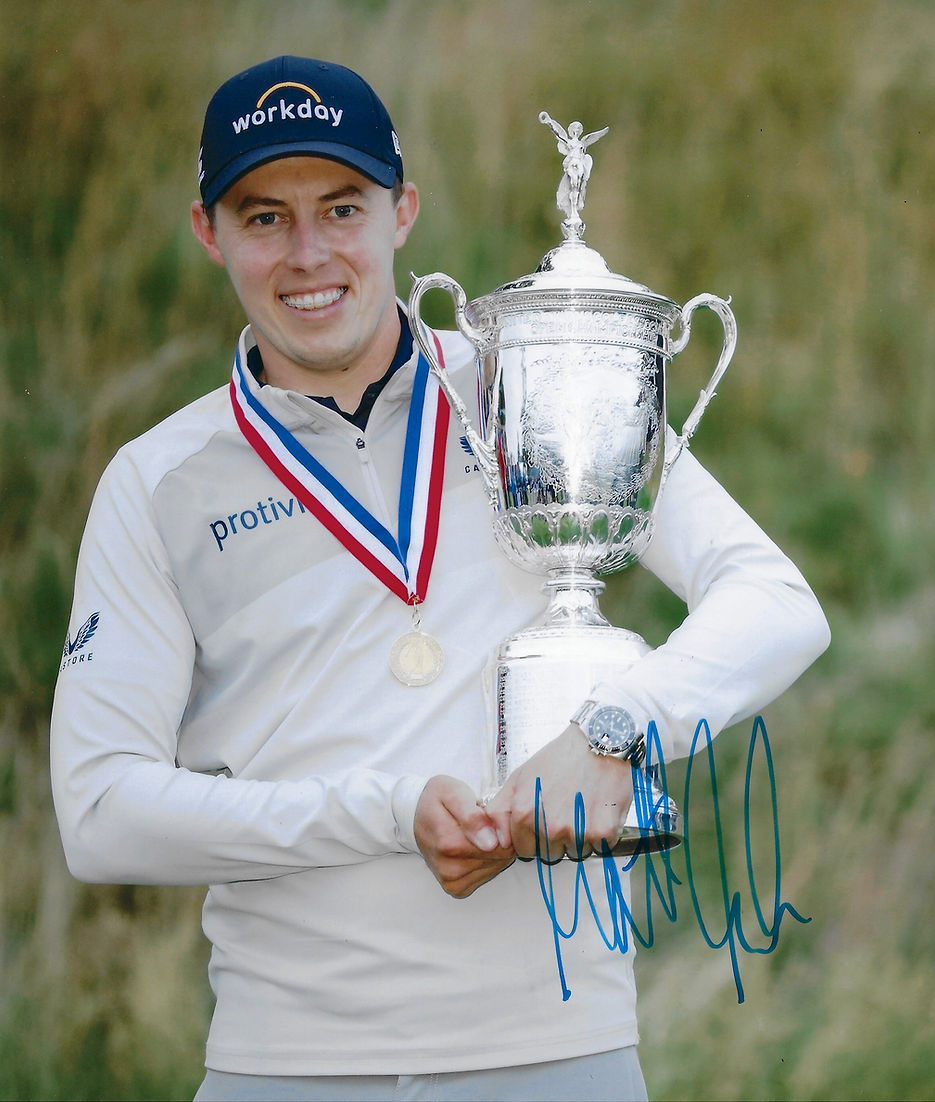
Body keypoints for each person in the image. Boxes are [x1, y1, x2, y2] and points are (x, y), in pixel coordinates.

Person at [50, 56, 829, 1101]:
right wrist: (386, 809)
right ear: (210, 232)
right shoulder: (159, 479)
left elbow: (775, 603)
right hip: (285, 1064)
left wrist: (619, 726)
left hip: (560, 1055)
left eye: (341, 207)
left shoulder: (537, 378)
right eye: (263, 217)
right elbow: (101, 811)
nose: (310, 253)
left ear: (402, 211)